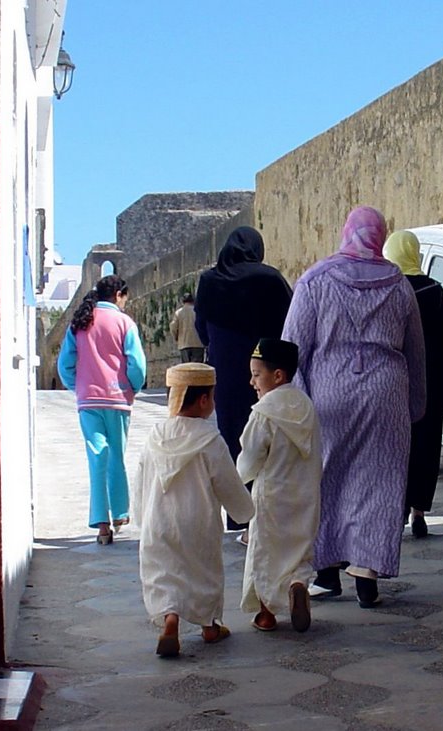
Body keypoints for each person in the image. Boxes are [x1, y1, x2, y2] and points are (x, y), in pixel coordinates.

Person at [282, 206, 426, 608]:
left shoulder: (315, 281)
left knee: (327, 478)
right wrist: (415, 405)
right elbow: (415, 351)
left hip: (330, 395)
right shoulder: (398, 285)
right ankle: (367, 571)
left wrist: (296, 406)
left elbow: (293, 346)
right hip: (386, 395)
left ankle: (326, 573)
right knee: (380, 481)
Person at [132, 363, 255, 658]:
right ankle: (210, 626)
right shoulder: (210, 439)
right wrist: (245, 512)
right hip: (198, 522)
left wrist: (141, 517)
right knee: (203, 572)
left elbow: (141, 480)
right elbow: (227, 481)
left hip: (158, 521)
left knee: (163, 572)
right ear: (204, 400)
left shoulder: (155, 436)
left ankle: (170, 619)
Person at [195, 226, 292, 536]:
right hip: (266, 368)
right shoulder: (270, 279)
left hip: (226, 367)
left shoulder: (210, 281)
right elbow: (289, 323)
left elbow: (201, 328)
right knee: (268, 435)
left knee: (233, 435)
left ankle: (239, 515)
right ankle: (267, 511)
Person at [237, 338, 322, 633]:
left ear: (277, 376)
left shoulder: (264, 412)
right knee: (298, 550)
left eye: (256, 374)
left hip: (272, 496)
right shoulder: (306, 406)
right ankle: (298, 584)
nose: (251, 381)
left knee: (265, 553)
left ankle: (266, 614)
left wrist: (238, 480)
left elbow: (250, 457)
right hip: (305, 494)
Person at [383, 230, 443, 538]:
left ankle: (398, 510)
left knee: (397, 450)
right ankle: (419, 512)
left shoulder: (389, 290)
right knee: (426, 449)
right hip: (428, 386)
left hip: (395, 386)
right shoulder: (434, 290)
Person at [57, 275, 147, 545]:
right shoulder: (124, 323)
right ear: (119, 295)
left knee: (97, 458)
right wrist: (132, 387)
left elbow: (65, 366)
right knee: (116, 456)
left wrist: (80, 386)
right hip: (117, 400)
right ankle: (120, 513)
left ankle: (102, 525)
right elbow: (137, 365)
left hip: (89, 401)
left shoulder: (80, 323)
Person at [169, 292, 205, 363]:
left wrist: (176, 337)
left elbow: (173, 327)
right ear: (193, 300)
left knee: (186, 369)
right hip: (198, 344)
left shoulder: (178, 313)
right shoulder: (197, 311)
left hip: (184, 344)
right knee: (197, 369)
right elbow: (202, 325)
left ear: (183, 301)